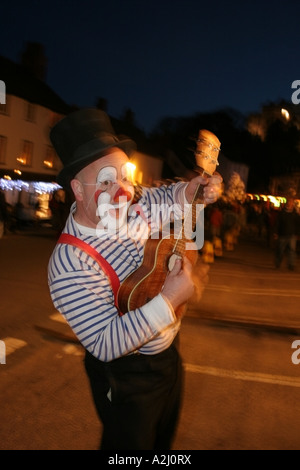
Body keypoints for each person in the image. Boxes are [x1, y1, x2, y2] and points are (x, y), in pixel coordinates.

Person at [47, 108, 222, 450]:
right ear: (77, 189)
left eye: (125, 177)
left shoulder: (131, 200)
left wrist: (193, 191)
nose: (123, 191)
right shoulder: (70, 262)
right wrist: (170, 300)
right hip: (128, 379)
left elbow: (162, 197)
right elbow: (105, 342)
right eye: (106, 181)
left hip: (169, 357)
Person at [274, 197, 300, 271]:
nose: (289, 204)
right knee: (280, 250)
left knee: (292, 250)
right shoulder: (282, 213)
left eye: (291, 202)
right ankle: (278, 262)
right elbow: (277, 223)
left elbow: (298, 224)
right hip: (282, 234)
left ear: (293, 204)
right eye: (288, 202)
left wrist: (297, 233)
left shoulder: (295, 214)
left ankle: (291, 264)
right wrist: (276, 232)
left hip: (292, 235)